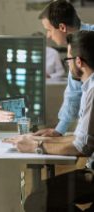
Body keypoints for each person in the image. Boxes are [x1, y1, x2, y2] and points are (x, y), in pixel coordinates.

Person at [4, 31, 94, 212]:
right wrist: (40, 140)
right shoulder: (88, 86)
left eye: (68, 60)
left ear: (79, 62)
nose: (67, 65)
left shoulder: (92, 89)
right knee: (40, 197)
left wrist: (35, 147)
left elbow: (82, 146)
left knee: (36, 202)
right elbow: (82, 138)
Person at [35, 0, 94, 137]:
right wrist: (59, 130)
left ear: (62, 27)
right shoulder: (73, 47)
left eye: (49, 30)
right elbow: (73, 91)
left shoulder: (90, 40)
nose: (48, 35)